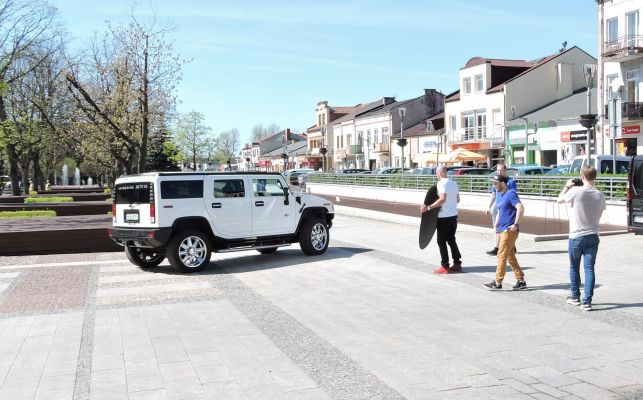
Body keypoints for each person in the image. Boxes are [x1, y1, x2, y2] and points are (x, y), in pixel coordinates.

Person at [556, 166, 606, 311]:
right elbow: (599, 215)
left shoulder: (575, 191)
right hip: (593, 236)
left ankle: (575, 296)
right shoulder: (600, 195)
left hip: (576, 236)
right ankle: (587, 301)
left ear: (582, 176)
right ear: (595, 177)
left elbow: (559, 200)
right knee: (589, 269)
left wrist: (566, 186)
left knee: (574, 267)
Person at [483, 175, 527, 290]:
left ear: (503, 183)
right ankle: (521, 280)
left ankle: (498, 282)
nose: (494, 186)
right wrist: (497, 223)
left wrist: (516, 224)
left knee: (501, 255)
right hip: (503, 230)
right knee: (510, 257)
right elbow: (502, 212)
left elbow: (520, 208)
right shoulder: (502, 196)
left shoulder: (511, 193)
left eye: (495, 183)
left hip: (508, 231)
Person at [420, 166, 462, 274]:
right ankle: (457, 263)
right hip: (453, 216)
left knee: (441, 241)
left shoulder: (441, 184)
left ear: (442, 172)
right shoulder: (454, 183)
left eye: (437, 172)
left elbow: (442, 199)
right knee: (451, 240)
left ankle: (445, 266)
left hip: (443, 218)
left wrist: (428, 207)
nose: (436, 175)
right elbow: (458, 200)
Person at [485, 163, 517, 255]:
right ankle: (496, 247)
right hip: (497, 207)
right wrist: (489, 206)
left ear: (505, 170)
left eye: (501, 170)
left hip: (507, 209)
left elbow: (513, 195)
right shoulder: (496, 180)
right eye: (498, 170)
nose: (499, 172)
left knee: (508, 229)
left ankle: (512, 246)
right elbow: (493, 194)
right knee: (496, 227)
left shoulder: (511, 182)